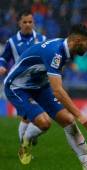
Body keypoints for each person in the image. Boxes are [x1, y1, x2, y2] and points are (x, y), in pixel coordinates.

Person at [4, 24, 87, 170]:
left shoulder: (65, 49)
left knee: (68, 120)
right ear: (78, 40)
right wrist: (80, 115)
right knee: (44, 122)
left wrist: (74, 115)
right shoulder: (56, 52)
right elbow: (58, 91)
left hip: (40, 84)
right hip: (17, 86)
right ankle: (25, 141)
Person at [0, 10, 46, 147]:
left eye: (30, 22)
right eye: (24, 22)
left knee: (38, 115)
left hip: (39, 83)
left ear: (34, 23)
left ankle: (31, 134)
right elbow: (4, 57)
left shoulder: (41, 39)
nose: (27, 24)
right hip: (20, 84)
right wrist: (1, 66)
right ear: (19, 23)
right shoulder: (12, 42)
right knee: (26, 115)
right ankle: (24, 144)